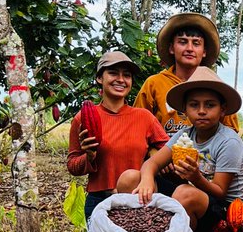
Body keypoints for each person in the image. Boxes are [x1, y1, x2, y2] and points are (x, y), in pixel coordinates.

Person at [119, 67, 243, 232]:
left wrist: (195, 177)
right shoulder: (185, 135)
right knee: (130, 178)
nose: (201, 111)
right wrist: (147, 180)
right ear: (185, 110)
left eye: (210, 105)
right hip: (189, 195)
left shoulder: (229, 142)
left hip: (223, 209)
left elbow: (221, 192)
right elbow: (152, 163)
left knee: (184, 192)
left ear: (222, 109)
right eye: (194, 105)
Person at [67, 50, 170, 223]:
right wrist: (89, 157)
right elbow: (72, 165)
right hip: (100, 200)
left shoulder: (144, 117)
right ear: (100, 78)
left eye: (127, 75)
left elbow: (168, 148)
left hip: (137, 200)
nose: (121, 80)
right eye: (113, 73)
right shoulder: (83, 117)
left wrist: (153, 152)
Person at [134, 12, 241, 134]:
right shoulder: (154, 84)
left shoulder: (215, 86)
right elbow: (137, 124)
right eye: (183, 42)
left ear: (204, 51)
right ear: (171, 48)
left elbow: (230, 132)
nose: (189, 48)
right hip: (161, 151)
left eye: (196, 43)